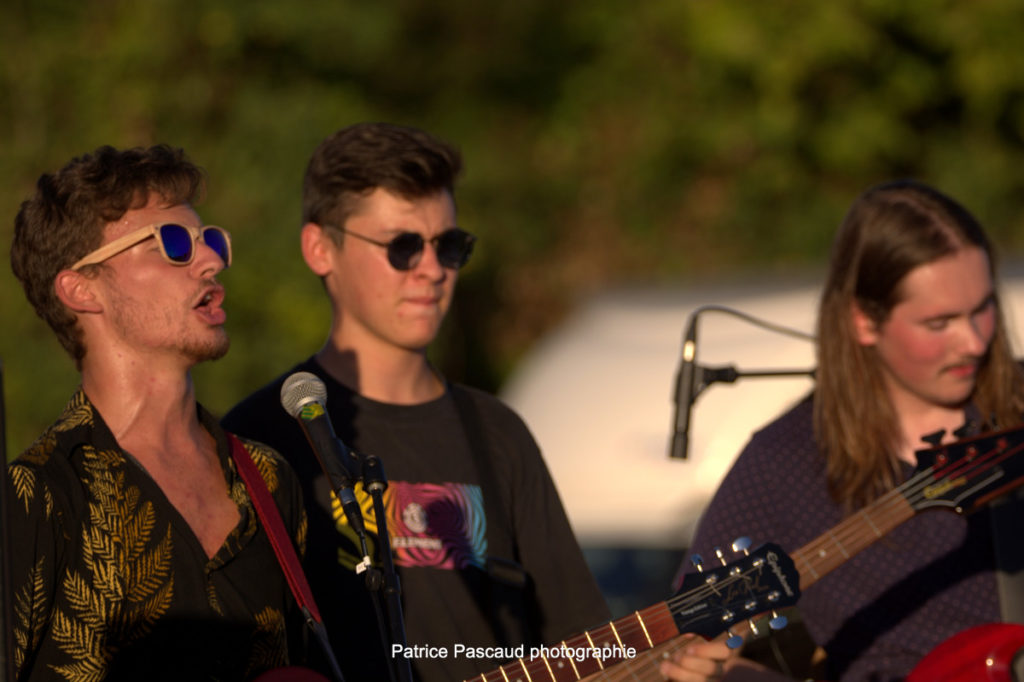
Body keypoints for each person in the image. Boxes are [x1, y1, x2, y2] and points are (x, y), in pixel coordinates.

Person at [221, 122, 610, 681]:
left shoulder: (498, 433)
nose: (433, 270)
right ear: (319, 248)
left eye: (450, 246)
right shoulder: (258, 436)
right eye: (402, 246)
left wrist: (671, 656)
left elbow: (584, 642)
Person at [660, 179, 1024, 682]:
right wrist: (714, 667)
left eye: (983, 309)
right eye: (940, 323)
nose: (975, 341)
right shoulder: (786, 461)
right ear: (863, 322)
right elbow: (689, 636)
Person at [8, 145, 309, 681]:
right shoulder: (37, 496)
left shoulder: (270, 478)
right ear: (81, 288)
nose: (212, 261)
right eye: (173, 244)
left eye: (210, 240)